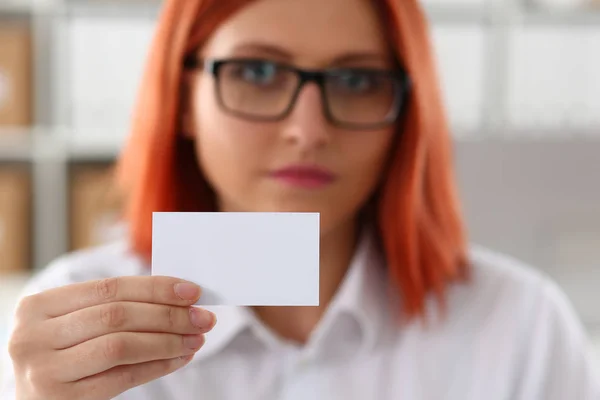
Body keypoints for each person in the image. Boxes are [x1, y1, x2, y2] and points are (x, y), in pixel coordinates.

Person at [1, 0, 599, 398]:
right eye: (258, 73)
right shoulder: (73, 326)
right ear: (183, 100)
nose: (308, 130)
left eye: (358, 81)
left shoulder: (521, 326)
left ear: (405, 116)